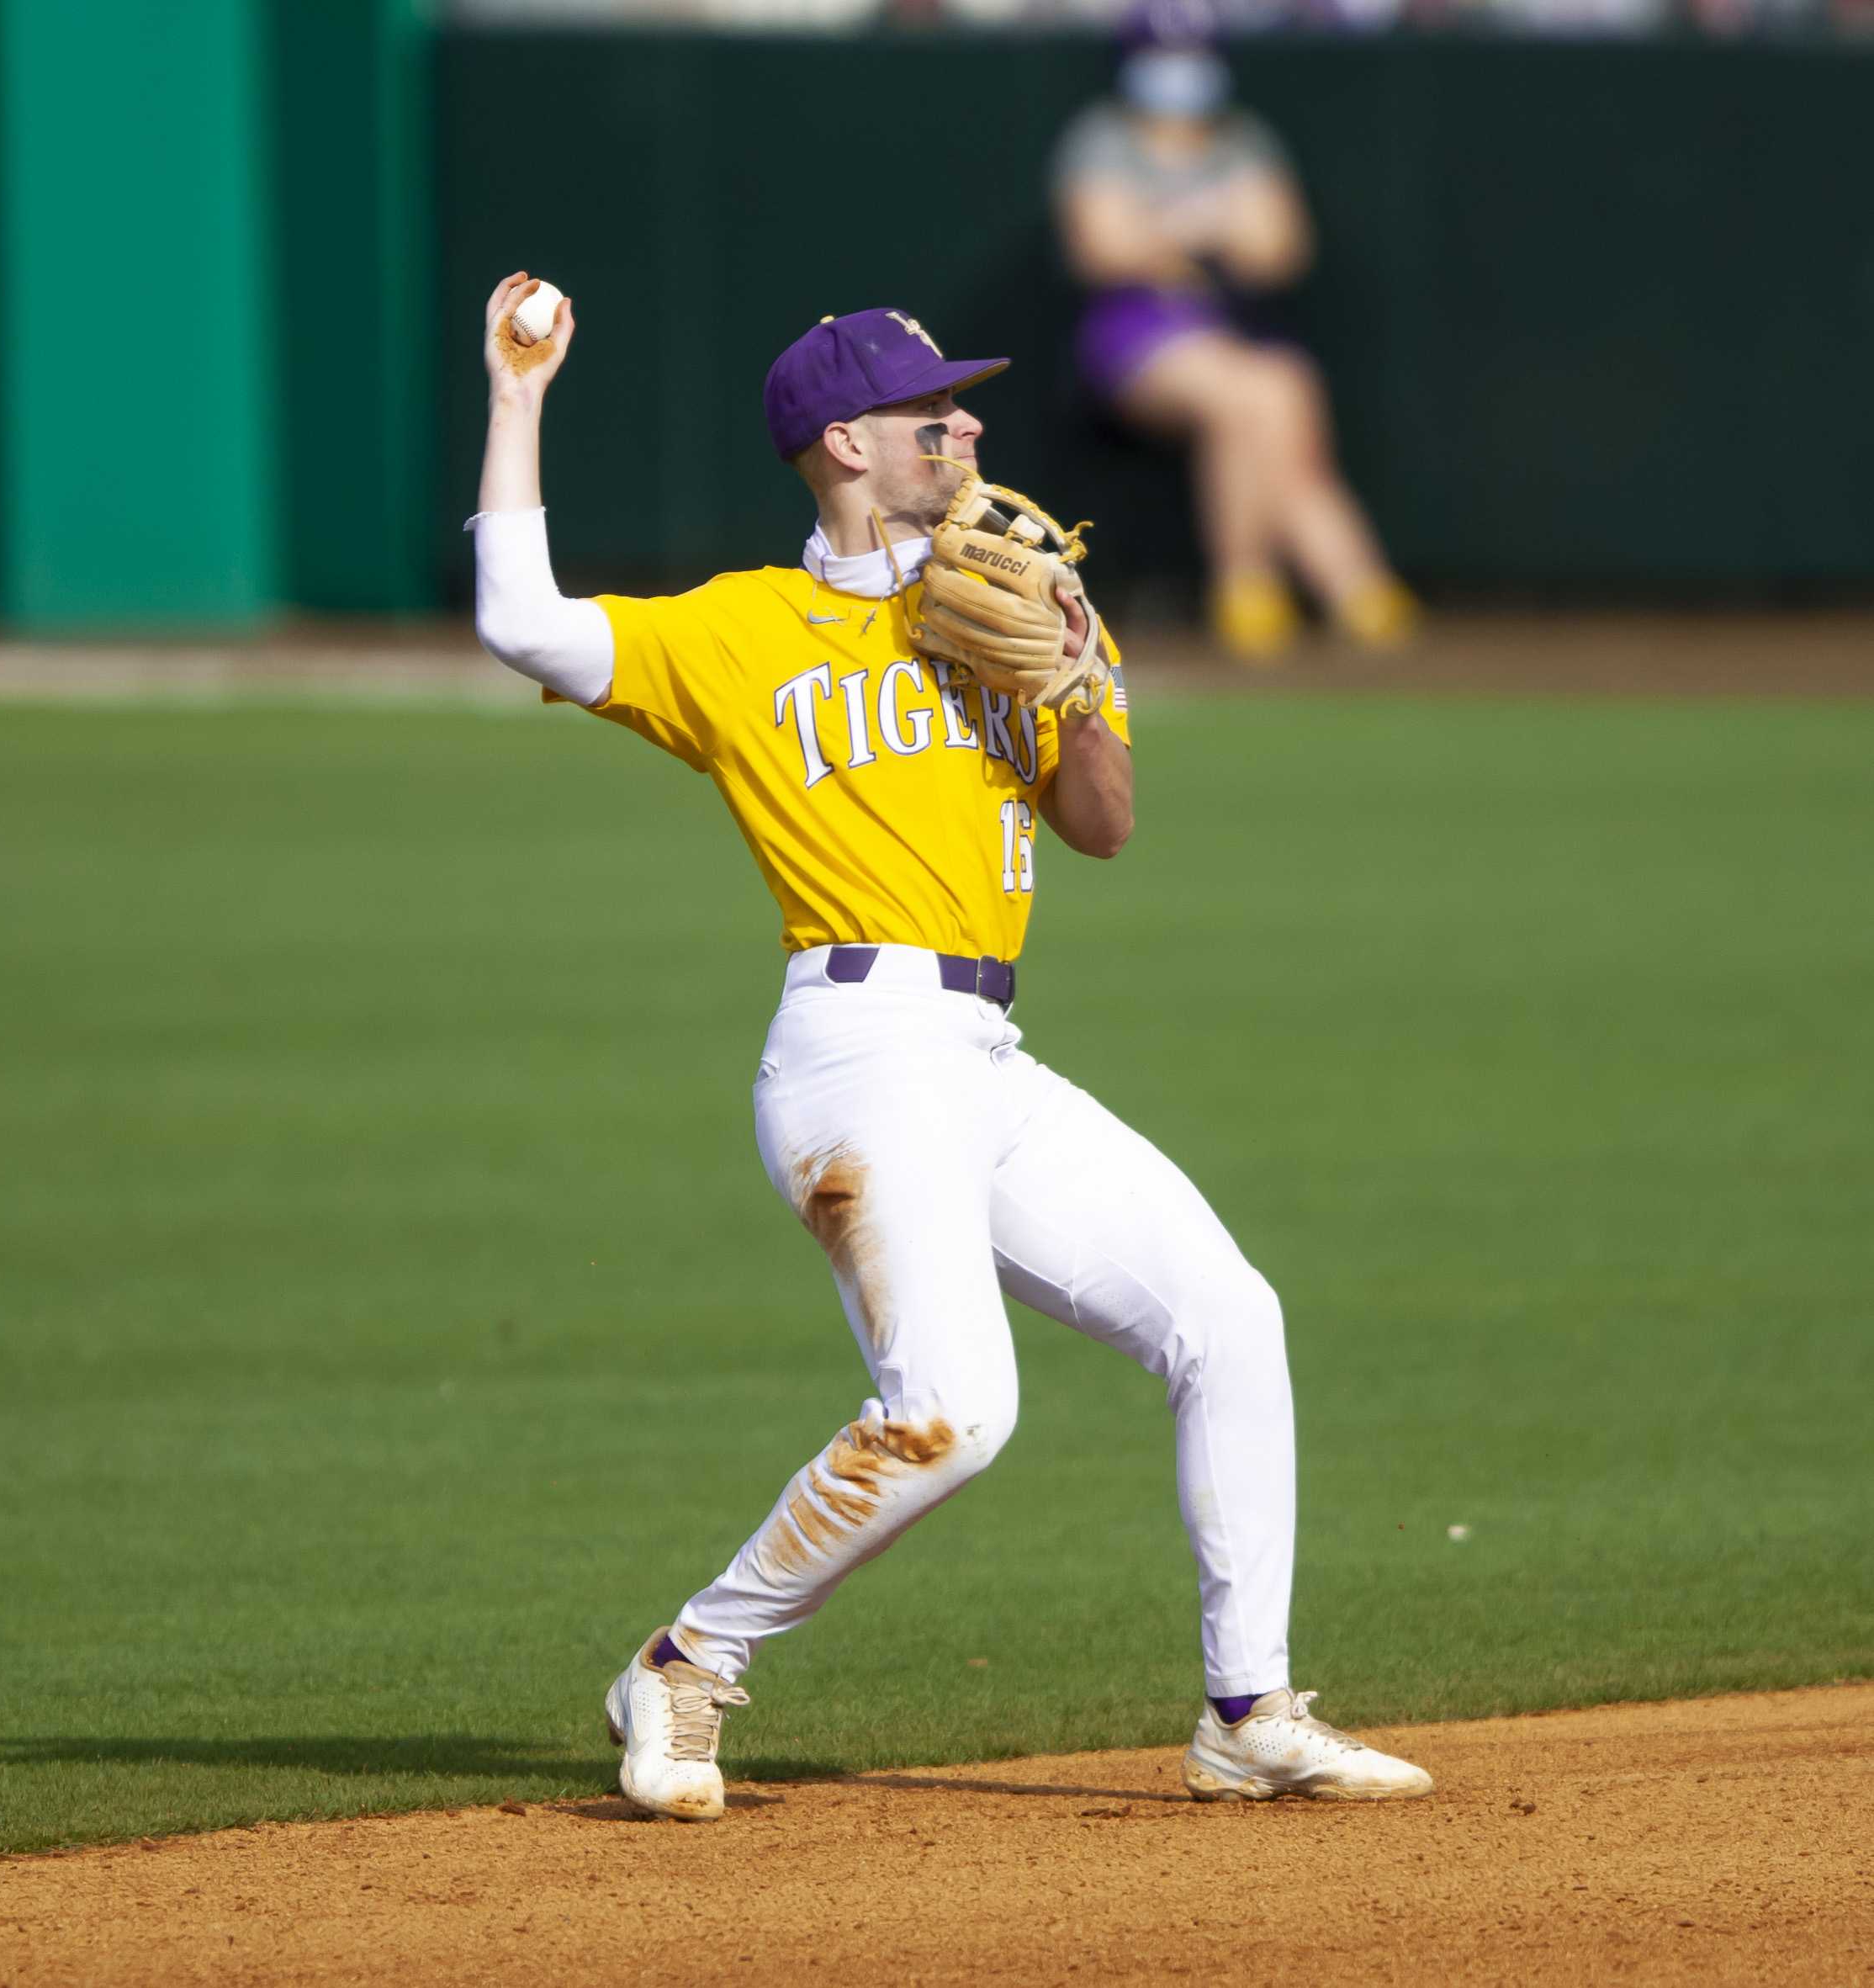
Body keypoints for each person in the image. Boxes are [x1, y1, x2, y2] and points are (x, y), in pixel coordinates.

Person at [468, 273, 1434, 1820]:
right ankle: (684, 1660)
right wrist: (520, 395)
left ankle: (1245, 1709)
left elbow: (1102, 828)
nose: (969, 423)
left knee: (1229, 1319)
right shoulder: (739, 631)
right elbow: (517, 621)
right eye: (935, 412)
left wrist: (1072, 673)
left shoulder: (1007, 586)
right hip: (854, 1050)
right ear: (846, 444)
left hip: (984, 1055)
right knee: (952, 1413)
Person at [1053, 1, 1419, 662]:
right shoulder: (1103, 137)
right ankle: (1269, 582)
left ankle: (1342, 593)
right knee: (1251, 394)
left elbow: (1279, 248)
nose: (1179, 75)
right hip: (1136, 335)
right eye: (1162, 60)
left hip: (1235, 329)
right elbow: (1102, 247)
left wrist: (1167, 233)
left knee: (1281, 389)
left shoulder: (1241, 139)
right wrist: (1208, 226)